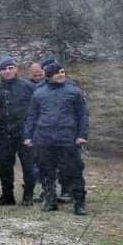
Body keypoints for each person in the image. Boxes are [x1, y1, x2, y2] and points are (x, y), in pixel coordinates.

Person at [24, 61, 89, 215]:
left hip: (68, 138)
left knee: (75, 170)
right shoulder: (39, 93)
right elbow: (32, 116)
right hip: (44, 138)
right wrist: (28, 136)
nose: (61, 75)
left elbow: (83, 115)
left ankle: (79, 203)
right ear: (49, 75)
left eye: (62, 72)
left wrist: (82, 135)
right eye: (57, 73)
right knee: (46, 170)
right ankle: (50, 199)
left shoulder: (74, 92)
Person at [0, 57, 38, 206]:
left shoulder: (29, 87)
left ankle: (28, 195)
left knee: (28, 166)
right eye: (4, 69)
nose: (8, 71)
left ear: (16, 69)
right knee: (4, 166)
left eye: (11, 68)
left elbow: (36, 109)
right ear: (0, 72)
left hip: (24, 133)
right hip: (4, 133)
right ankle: (7, 196)